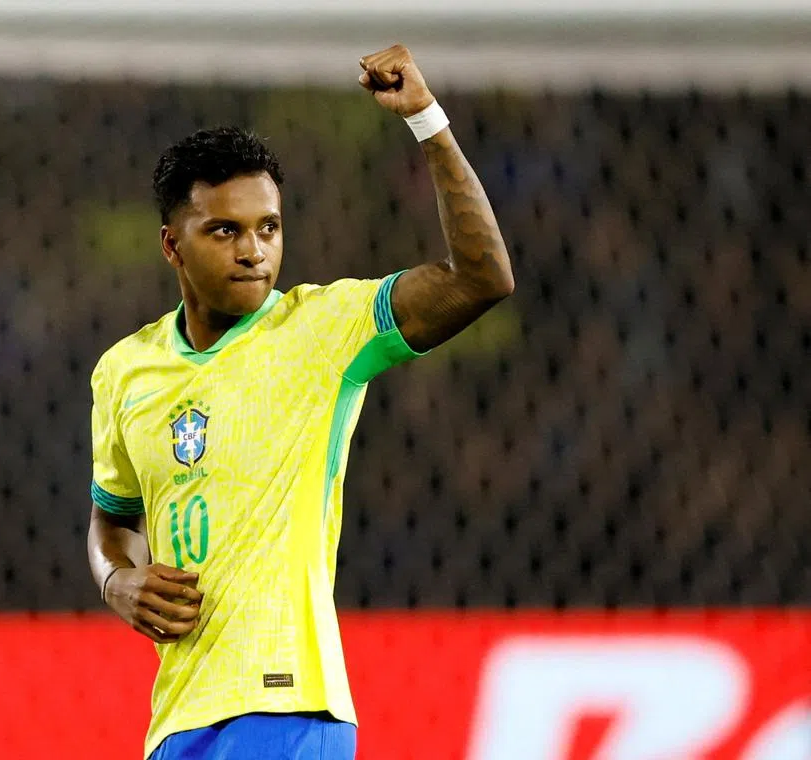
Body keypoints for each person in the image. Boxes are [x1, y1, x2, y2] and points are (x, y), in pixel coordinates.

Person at [87, 44, 514, 760]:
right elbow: (112, 520)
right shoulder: (125, 372)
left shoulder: (323, 329)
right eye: (224, 230)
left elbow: (482, 277)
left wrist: (427, 123)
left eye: (268, 228)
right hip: (177, 720)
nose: (253, 249)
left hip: (287, 706)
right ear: (172, 245)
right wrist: (117, 583)